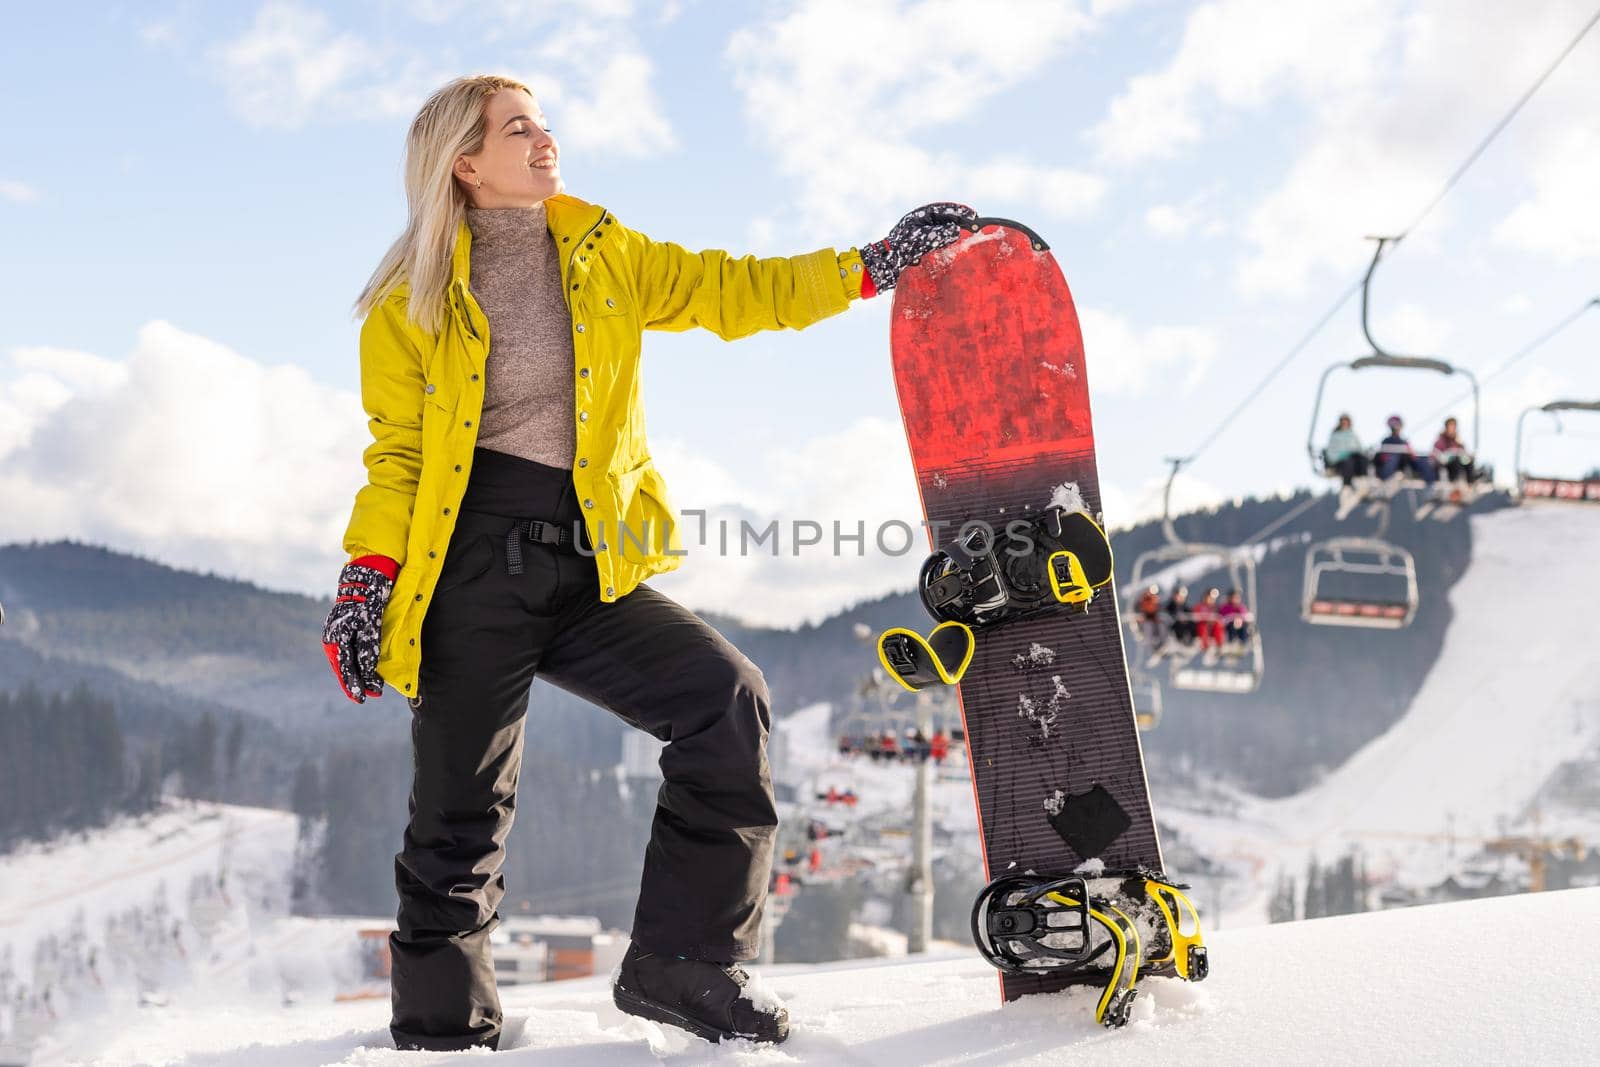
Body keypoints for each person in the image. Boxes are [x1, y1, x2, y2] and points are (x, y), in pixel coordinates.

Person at [319, 74, 976, 1051]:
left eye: (544, 123)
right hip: (468, 571)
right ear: (464, 161)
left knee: (724, 697)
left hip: (586, 559)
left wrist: (871, 264)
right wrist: (368, 569)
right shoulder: (407, 300)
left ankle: (681, 962)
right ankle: (442, 1027)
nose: (545, 140)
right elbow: (400, 456)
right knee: (461, 809)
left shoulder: (603, 254)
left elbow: (733, 288)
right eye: (517, 129)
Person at [1374, 415, 1436, 484]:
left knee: (1423, 461)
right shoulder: (1386, 441)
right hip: (1392, 467)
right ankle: (1386, 480)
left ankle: (1430, 482)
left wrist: (1410, 453)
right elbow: (1384, 458)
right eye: (1394, 426)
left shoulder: (1403, 442)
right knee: (1394, 458)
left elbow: (1413, 456)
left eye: (1398, 425)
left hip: (1405, 464)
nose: (1396, 428)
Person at [1324, 413, 1367, 487]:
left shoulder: (1353, 435)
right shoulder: (1335, 436)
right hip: (1340, 460)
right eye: (1343, 422)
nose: (1345, 424)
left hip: (1354, 457)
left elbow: (1359, 448)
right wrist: (1341, 456)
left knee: (1363, 459)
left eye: (1346, 422)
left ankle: (1363, 480)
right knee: (1348, 463)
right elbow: (1331, 452)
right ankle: (1347, 485)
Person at [1431, 417, 1477, 485]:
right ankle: (1455, 482)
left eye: (1454, 426)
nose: (1452, 428)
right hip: (1446, 464)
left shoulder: (1458, 441)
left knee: (1469, 461)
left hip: (1460, 461)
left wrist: (1460, 448)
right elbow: (1436, 455)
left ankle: (1470, 483)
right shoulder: (1440, 441)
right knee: (1456, 461)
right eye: (1450, 426)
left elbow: (1464, 453)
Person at [1191, 588, 1225, 656]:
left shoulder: (1216, 608)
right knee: (1202, 626)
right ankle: (1205, 647)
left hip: (1212, 628)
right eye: (1209, 597)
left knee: (1218, 626)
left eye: (1212, 598)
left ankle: (1220, 645)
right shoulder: (1199, 606)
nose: (1211, 599)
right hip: (1200, 627)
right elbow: (1195, 616)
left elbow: (1220, 617)